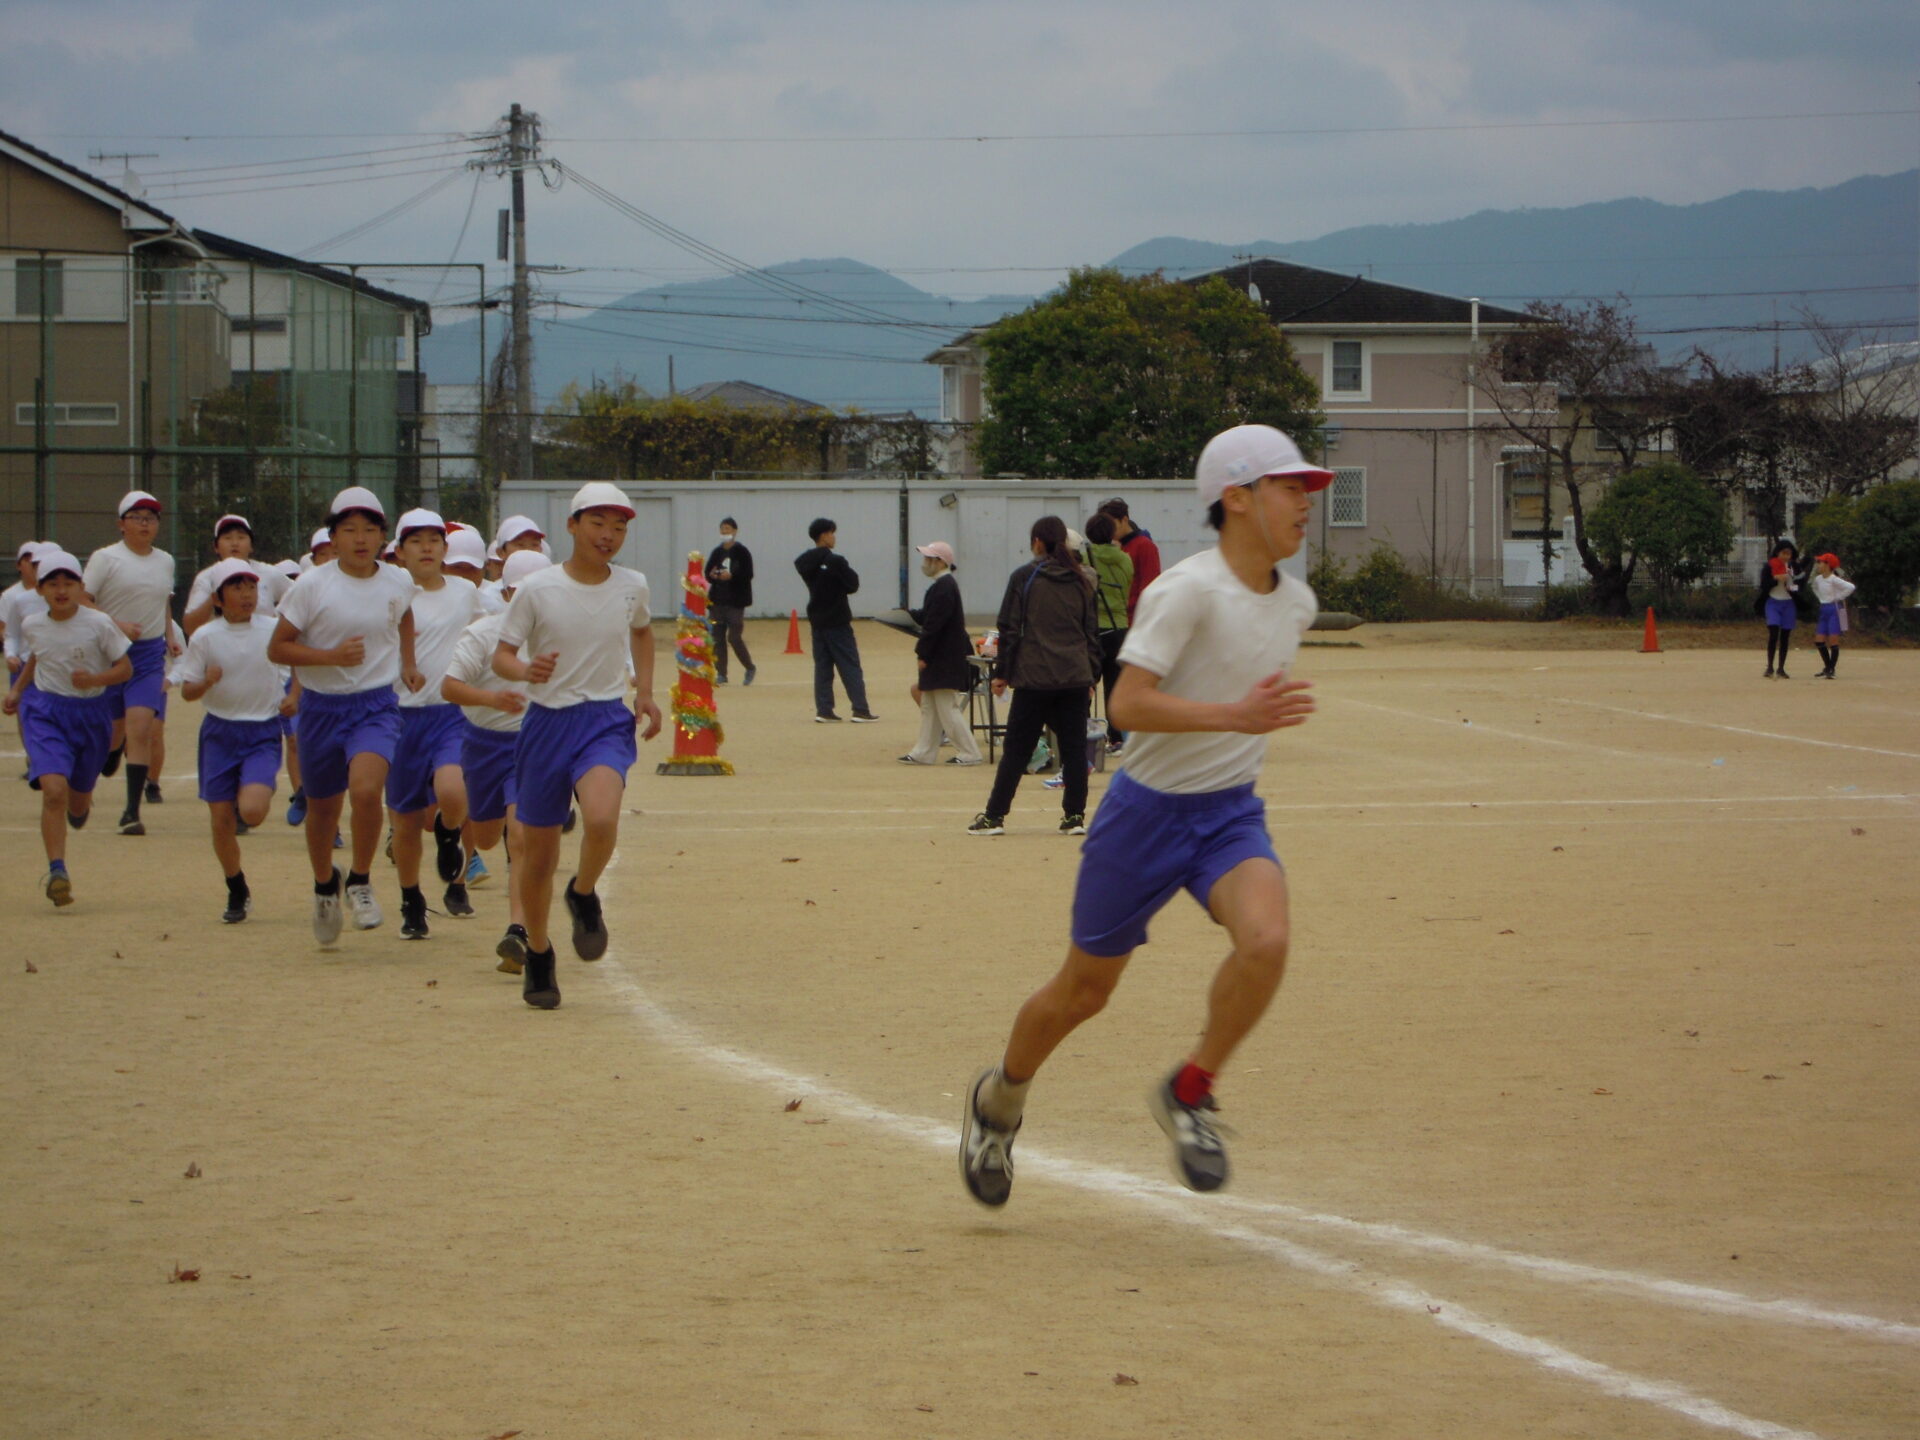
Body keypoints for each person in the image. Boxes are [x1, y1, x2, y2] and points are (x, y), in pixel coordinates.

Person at [960, 424, 1325, 1206]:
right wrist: (1236, 716)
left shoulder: (1297, 602)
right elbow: (1125, 703)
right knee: (1083, 994)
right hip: (1143, 817)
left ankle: (1189, 1091)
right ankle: (1000, 1101)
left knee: (1268, 939)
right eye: (1291, 488)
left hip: (1228, 816)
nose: (1306, 504)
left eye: (1309, 490)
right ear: (1236, 497)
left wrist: (1239, 727)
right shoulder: (1184, 590)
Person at [492, 481, 663, 1010]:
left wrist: (647, 694)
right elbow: (502, 655)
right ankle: (540, 953)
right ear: (572, 525)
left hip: (604, 721)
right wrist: (524, 669)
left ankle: (583, 892)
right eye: (598, 523)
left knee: (603, 818)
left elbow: (642, 632)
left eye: (619, 527)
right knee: (538, 858)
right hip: (546, 725)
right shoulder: (537, 588)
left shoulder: (633, 585)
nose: (609, 535)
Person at [270, 486, 424, 945]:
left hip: (376, 705)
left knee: (367, 789)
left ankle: (359, 879)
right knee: (323, 809)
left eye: (370, 530)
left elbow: (406, 617)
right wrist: (330, 656)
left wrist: (409, 663)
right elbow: (278, 646)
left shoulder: (397, 580)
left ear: (383, 537)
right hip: (320, 708)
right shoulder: (312, 585)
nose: (360, 539)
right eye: (349, 530)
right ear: (332, 537)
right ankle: (324, 887)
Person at [4, 549, 132, 907]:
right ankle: (57, 869)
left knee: (76, 802)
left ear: (80, 587)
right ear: (40, 590)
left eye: (68, 582)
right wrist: (17, 689)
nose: (61, 590)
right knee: (53, 790)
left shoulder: (98, 624)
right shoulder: (33, 624)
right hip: (46, 712)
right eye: (52, 584)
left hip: (92, 714)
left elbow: (125, 669)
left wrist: (95, 678)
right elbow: (36, 659)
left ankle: (82, 804)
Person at [442, 549, 548, 973]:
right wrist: (492, 699)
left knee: (521, 837)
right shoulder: (483, 635)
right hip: (483, 744)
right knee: (486, 837)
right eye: (523, 594)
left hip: (534, 744)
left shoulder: (559, 635)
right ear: (505, 593)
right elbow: (450, 686)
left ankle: (518, 931)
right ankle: (455, 830)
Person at [965, 517, 1101, 837]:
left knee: (1016, 749)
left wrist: (1002, 673)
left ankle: (995, 816)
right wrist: (1092, 674)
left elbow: (1010, 628)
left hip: (1034, 676)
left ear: (1038, 542)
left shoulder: (1025, 577)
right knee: (1074, 747)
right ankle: (1074, 817)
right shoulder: (1083, 580)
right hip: (1075, 675)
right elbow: (1091, 632)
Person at [172, 558, 291, 923]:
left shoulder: (273, 628)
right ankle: (236, 886)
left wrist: (295, 695)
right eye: (236, 588)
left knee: (252, 812)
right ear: (219, 599)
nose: (246, 595)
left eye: (251, 587)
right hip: (219, 734)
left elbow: (299, 666)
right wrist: (206, 681)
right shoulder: (206, 636)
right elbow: (187, 692)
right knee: (221, 819)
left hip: (262, 731)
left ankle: (249, 795)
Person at [385, 509, 480, 938]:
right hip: (397, 717)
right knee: (404, 822)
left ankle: (447, 833)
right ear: (399, 551)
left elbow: (491, 631)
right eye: (415, 540)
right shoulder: (386, 593)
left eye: (434, 540)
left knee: (453, 789)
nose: (426, 548)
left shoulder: (465, 592)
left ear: (445, 548)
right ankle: (411, 900)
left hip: (449, 714)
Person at [83, 490, 180, 834]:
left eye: (151, 518)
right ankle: (103, 761)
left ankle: (131, 813)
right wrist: (116, 624)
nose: (145, 524)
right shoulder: (105, 558)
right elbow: (83, 600)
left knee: (141, 728)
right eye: (137, 517)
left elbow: (162, 604)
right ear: (121, 524)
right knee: (112, 732)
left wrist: (169, 636)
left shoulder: (165, 560)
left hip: (149, 655)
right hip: (109, 653)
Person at [899, 541, 982, 767]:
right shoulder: (942, 586)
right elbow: (929, 615)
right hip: (943, 655)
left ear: (941, 562)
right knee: (930, 706)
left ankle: (969, 752)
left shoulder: (944, 587)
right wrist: (905, 615)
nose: (925, 563)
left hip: (943, 657)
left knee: (946, 707)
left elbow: (934, 624)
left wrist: (922, 653)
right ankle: (923, 752)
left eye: (929, 559)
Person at [794, 517, 876, 723]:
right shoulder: (836, 561)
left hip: (817, 619)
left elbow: (802, 565)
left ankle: (824, 709)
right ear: (824, 535)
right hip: (837, 619)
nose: (834, 537)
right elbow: (852, 584)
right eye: (832, 533)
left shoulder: (805, 561)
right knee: (849, 665)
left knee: (822, 666)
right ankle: (860, 709)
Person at [182, 514, 290, 637]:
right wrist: (215, 597)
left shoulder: (269, 573)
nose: (234, 543)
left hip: (263, 648)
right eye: (227, 538)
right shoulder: (206, 577)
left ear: (251, 546)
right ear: (216, 547)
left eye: (241, 537)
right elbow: (190, 627)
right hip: (222, 648)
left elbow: (299, 598)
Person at [1084, 512, 1133, 751]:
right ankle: (1117, 737)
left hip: (1093, 627)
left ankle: (1084, 732)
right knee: (1115, 686)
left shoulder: (1083, 557)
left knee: (1086, 684)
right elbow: (1128, 586)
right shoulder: (1125, 559)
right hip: (1119, 626)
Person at [704, 517, 756, 685]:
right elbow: (708, 572)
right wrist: (713, 576)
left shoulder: (742, 551)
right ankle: (721, 673)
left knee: (734, 637)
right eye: (722, 529)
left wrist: (732, 576)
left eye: (727, 529)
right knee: (717, 638)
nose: (724, 532)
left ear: (734, 531)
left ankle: (749, 667)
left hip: (735, 602)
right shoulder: (717, 552)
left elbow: (748, 573)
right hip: (717, 601)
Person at [1098, 496, 1163, 620]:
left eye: (1112, 525)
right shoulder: (1111, 547)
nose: (1108, 530)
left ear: (1124, 520)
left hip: (1135, 618)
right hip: (1115, 618)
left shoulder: (1145, 546)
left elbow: (1149, 587)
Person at [1756, 540, 1813, 679]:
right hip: (1773, 602)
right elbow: (1763, 585)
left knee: (1785, 636)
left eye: (1789, 554)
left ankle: (1781, 668)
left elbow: (1799, 586)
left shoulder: (1793, 567)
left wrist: (1791, 587)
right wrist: (1776, 579)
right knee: (1773, 633)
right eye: (1784, 553)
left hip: (1788, 603)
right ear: (1777, 553)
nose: (1786, 556)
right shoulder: (1769, 566)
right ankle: (1770, 667)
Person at [1809, 552, 1856, 679]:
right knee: (1819, 640)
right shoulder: (1818, 579)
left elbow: (1850, 587)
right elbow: (1814, 587)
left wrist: (1838, 597)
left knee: (1833, 640)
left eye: (1820, 562)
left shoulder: (1834, 579)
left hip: (1834, 609)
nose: (1818, 565)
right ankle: (1828, 667)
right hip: (1824, 609)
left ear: (1828, 565)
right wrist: (1821, 598)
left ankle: (1831, 669)